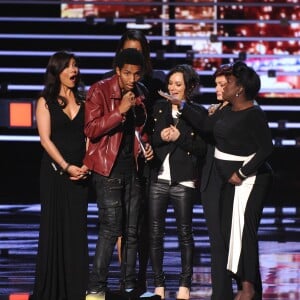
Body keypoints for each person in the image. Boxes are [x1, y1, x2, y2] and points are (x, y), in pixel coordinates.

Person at [162, 61, 274, 300]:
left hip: (243, 182)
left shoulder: (248, 113)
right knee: (225, 239)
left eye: (227, 83)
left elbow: (264, 148)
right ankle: (232, 291)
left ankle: (248, 289)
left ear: (239, 88)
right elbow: (204, 130)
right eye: (218, 84)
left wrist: (242, 172)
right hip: (221, 183)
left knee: (242, 237)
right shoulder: (221, 110)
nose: (221, 88)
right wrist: (181, 110)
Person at [84, 48, 154, 296]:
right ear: (117, 71)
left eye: (136, 74)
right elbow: (91, 129)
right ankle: (96, 288)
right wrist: (119, 111)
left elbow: (140, 129)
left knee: (132, 231)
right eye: (127, 74)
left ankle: (129, 286)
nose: (132, 79)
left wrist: (145, 145)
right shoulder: (99, 90)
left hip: (133, 169)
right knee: (111, 229)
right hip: (107, 168)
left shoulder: (142, 92)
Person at [102, 29, 166, 289]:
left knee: (144, 225)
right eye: (128, 51)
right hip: (121, 160)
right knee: (122, 224)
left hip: (149, 160)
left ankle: (139, 279)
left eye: (138, 52)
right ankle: (126, 281)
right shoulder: (108, 85)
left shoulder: (154, 84)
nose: (133, 57)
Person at [30, 51, 90, 300]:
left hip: (81, 174)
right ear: (57, 71)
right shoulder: (45, 101)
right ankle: (52, 289)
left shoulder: (85, 100)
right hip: (56, 173)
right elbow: (45, 139)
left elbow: (89, 136)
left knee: (77, 231)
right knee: (54, 229)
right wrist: (66, 166)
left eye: (75, 66)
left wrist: (87, 163)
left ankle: (77, 289)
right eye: (68, 67)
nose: (73, 71)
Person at [149, 64, 207, 300]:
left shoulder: (197, 113)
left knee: (185, 233)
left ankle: (185, 284)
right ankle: (159, 285)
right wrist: (159, 138)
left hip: (184, 180)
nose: (172, 88)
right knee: (155, 234)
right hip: (159, 177)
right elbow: (151, 137)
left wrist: (179, 136)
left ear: (189, 87)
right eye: (170, 83)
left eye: (178, 84)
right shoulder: (159, 108)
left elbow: (202, 147)